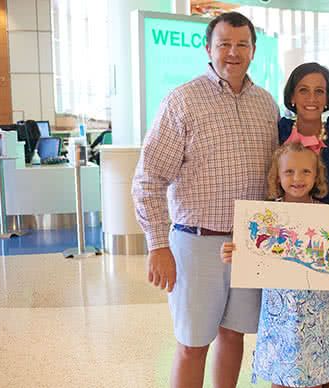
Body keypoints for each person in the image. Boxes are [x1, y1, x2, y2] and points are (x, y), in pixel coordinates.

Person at [131, 12, 279, 388]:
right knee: (193, 343)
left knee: (235, 334)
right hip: (196, 243)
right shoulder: (182, 100)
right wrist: (158, 245)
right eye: (224, 44)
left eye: (241, 44)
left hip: (250, 244)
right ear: (208, 48)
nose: (233, 52)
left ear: (253, 50)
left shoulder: (266, 104)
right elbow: (148, 179)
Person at [221, 142, 329, 388]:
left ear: (317, 176)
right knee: (282, 372)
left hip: (319, 310)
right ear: (277, 176)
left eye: (305, 172)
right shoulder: (266, 215)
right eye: (289, 172)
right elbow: (253, 252)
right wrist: (234, 253)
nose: (297, 178)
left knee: (318, 370)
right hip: (279, 311)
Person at [278, 62, 329, 342]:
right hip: (284, 247)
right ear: (292, 96)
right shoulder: (275, 134)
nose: (311, 99)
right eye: (303, 90)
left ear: (328, 98)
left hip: (327, 246)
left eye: (319, 91)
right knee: (289, 335)